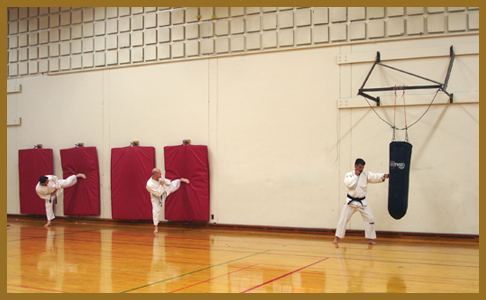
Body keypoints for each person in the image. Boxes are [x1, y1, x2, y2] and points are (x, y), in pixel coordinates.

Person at [333, 158, 389, 245]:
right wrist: (355, 176)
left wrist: (384, 176)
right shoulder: (349, 175)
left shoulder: (365, 175)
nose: (361, 169)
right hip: (350, 202)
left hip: (362, 202)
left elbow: (374, 177)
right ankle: (336, 238)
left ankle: (370, 239)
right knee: (343, 219)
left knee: (370, 219)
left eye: (362, 167)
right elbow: (349, 185)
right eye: (359, 167)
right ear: (355, 166)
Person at [146, 168, 190, 233]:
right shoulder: (149, 184)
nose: (161, 174)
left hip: (164, 189)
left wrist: (168, 182)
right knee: (156, 210)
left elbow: (164, 180)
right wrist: (161, 185)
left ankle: (180, 180)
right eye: (159, 173)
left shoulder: (160, 177)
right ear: (155, 174)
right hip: (156, 197)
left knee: (173, 185)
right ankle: (156, 227)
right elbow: (158, 194)